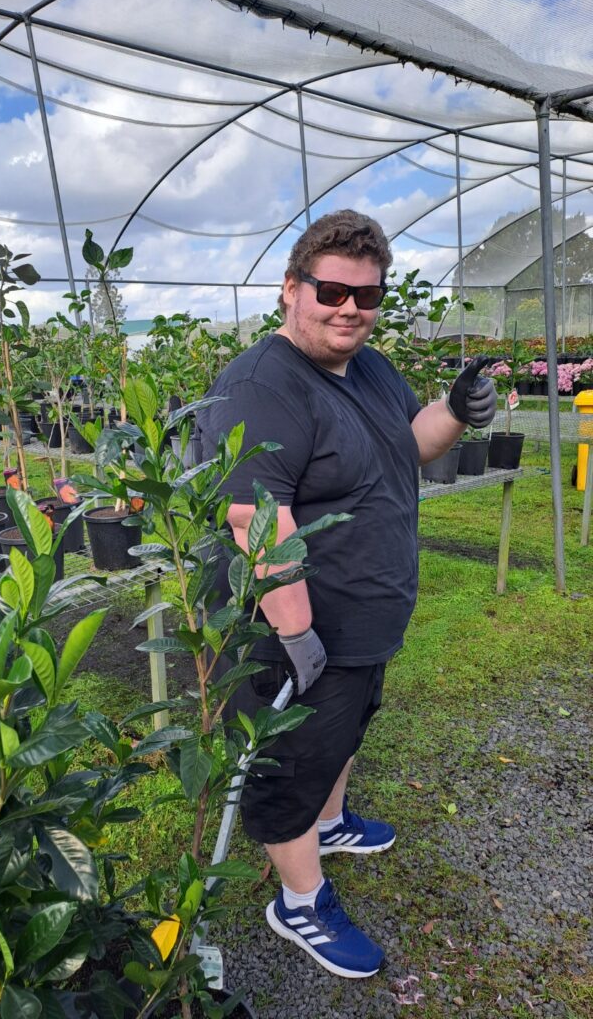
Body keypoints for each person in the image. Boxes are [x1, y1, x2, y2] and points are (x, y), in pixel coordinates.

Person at [196, 209, 496, 979]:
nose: (350, 309)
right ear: (291, 290)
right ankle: (297, 902)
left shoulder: (368, 366)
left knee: (344, 732)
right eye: (331, 291)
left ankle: (329, 824)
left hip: (365, 616)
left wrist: (458, 411)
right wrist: (296, 638)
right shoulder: (261, 385)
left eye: (367, 296)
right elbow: (253, 519)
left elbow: (411, 443)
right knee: (290, 762)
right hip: (300, 625)